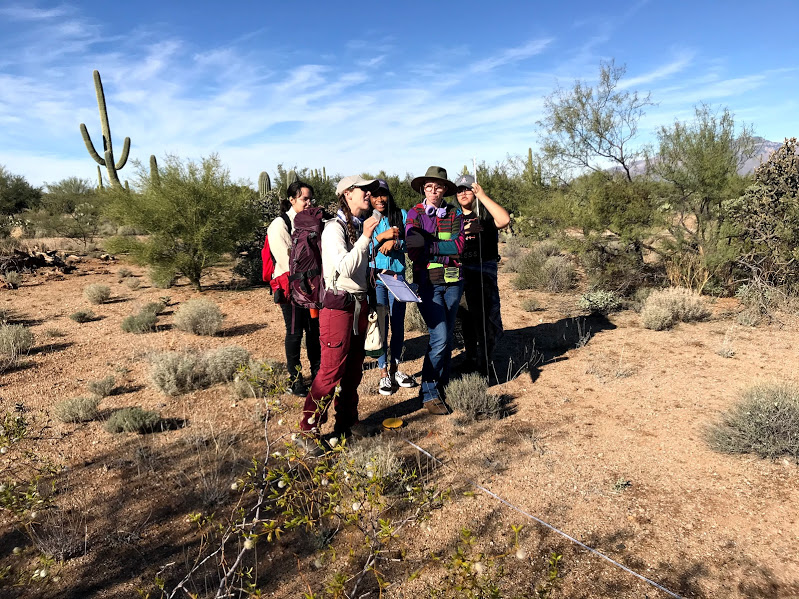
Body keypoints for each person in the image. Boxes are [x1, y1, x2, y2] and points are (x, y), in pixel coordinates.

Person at [298, 175, 380, 453]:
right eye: (364, 190)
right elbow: (344, 268)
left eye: (370, 190)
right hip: (337, 309)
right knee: (331, 370)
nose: (369, 194)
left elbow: (356, 269)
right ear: (347, 194)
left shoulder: (355, 226)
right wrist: (367, 237)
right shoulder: (335, 229)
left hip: (358, 305)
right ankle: (308, 429)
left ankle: (347, 420)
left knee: (354, 368)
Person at [405, 166, 465, 415]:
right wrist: (443, 247)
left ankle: (442, 383)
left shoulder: (454, 213)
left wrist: (429, 245)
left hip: (453, 281)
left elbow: (459, 246)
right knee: (439, 336)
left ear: (444, 190)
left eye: (438, 186)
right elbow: (412, 247)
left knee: (447, 336)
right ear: (423, 189)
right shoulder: (415, 213)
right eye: (429, 187)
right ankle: (429, 391)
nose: (433, 191)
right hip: (427, 283)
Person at [266, 180, 320, 396]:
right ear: (292, 200)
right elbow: (289, 259)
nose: (308, 203)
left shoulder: (309, 222)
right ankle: (295, 379)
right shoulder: (279, 225)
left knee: (313, 331)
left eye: (310, 199)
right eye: (304, 199)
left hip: (310, 285)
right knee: (295, 332)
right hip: (290, 286)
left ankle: (318, 374)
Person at [453, 174, 510, 374]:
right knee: (465, 318)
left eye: (468, 189)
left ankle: (485, 362)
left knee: (484, 318)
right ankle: (470, 357)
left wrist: (483, 196)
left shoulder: (485, 214)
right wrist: (464, 230)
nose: (463, 193)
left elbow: (504, 220)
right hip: (460, 272)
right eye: (459, 190)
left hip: (483, 273)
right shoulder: (453, 216)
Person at [369, 179, 417, 395]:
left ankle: (396, 368)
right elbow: (363, 248)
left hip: (397, 278)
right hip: (377, 279)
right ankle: (383, 373)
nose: (380, 199)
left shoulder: (401, 215)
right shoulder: (367, 220)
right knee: (381, 326)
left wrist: (396, 243)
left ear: (389, 196)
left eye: (383, 194)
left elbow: (412, 242)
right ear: (369, 198)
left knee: (397, 324)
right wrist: (382, 239)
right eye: (375, 195)